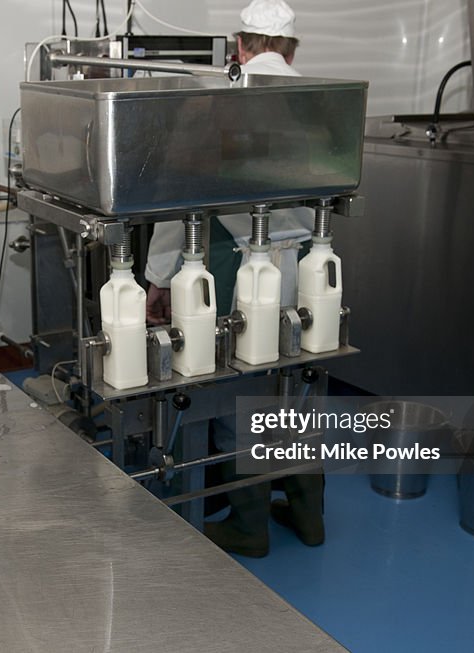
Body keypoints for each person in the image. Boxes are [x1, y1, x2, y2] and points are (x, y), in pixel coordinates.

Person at [143, 0, 324, 558]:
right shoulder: (321, 97)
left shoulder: (220, 98)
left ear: (239, 45)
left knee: (236, 393)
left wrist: (156, 279)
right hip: (305, 265)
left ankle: (249, 526)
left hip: (233, 265)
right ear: (292, 49)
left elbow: (183, 201)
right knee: (293, 388)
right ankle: (307, 513)